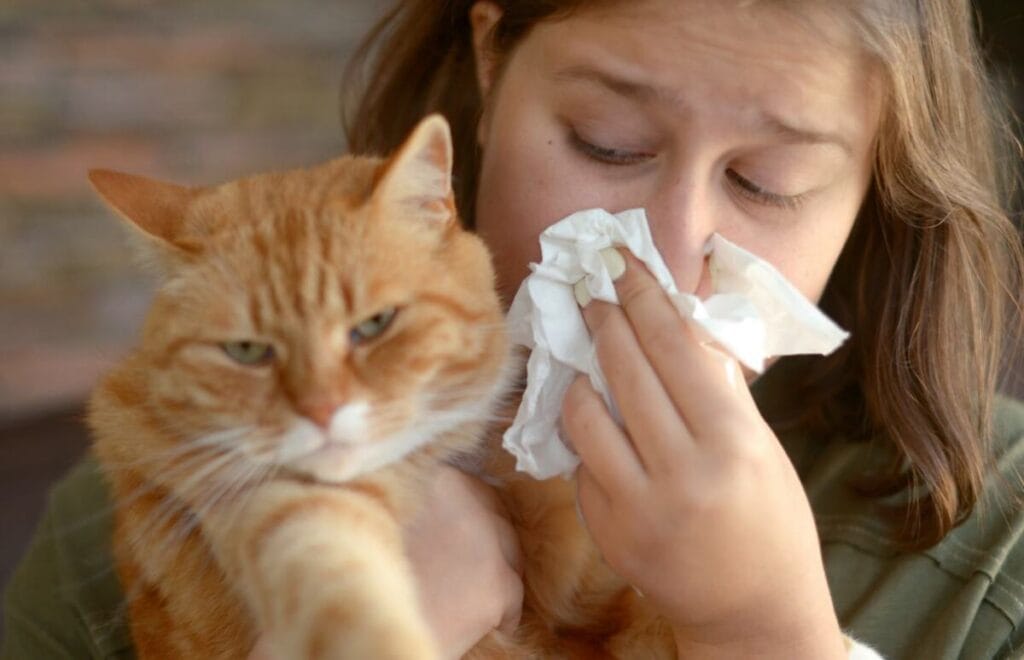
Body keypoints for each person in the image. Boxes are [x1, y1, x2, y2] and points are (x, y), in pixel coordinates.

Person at [5, 1, 1023, 658]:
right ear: (491, 58)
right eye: (607, 145)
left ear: (876, 182)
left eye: (766, 183)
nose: (661, 257)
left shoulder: (998, 543)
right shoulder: (168, 493)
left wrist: (763, 632)